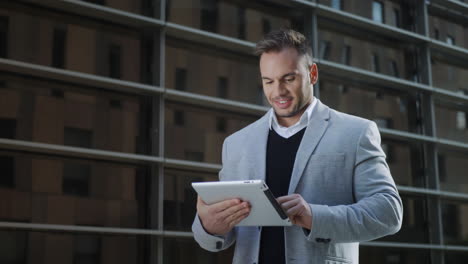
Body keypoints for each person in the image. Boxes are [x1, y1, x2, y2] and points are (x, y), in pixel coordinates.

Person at [192, 29, 403, 264]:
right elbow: (216, 236)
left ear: (312, 74)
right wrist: (209, 226)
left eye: (288, 78)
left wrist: (314, 216)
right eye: (268, 81)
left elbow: (388, 212)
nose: (278, 91)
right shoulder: (236, 143)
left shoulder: (355, 133)